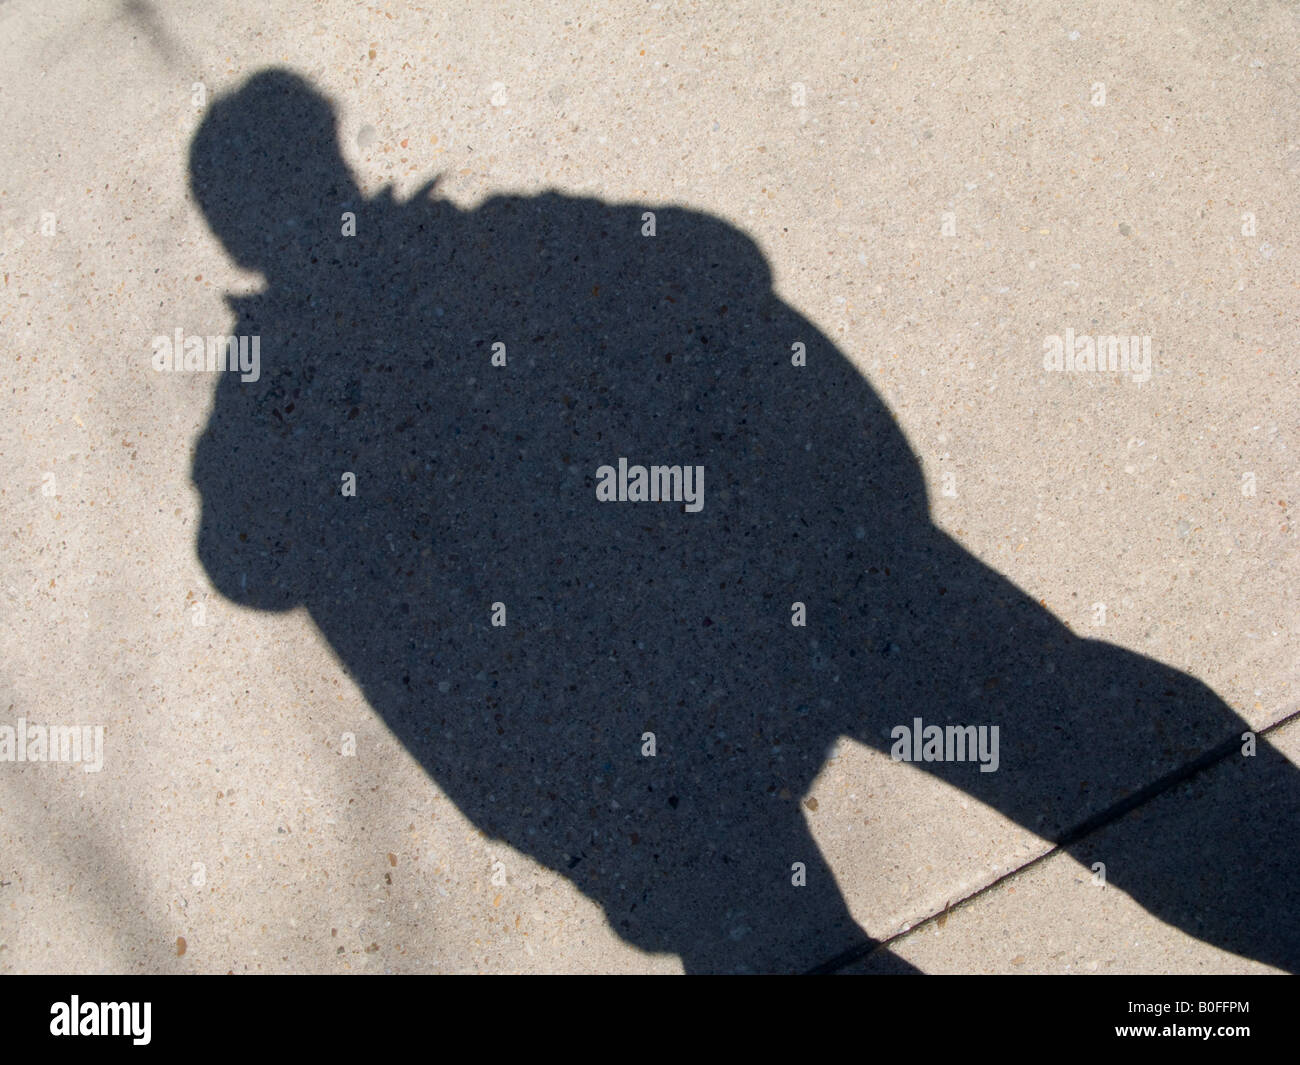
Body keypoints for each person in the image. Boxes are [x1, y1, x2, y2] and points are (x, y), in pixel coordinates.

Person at [190, 70, 1298, 973]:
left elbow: (249, 555)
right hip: (743, 639)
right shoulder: (460, 273)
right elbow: (714, 262)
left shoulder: (339, 352)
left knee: (1031, 765)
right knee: (1074, 739)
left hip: (681, 696)